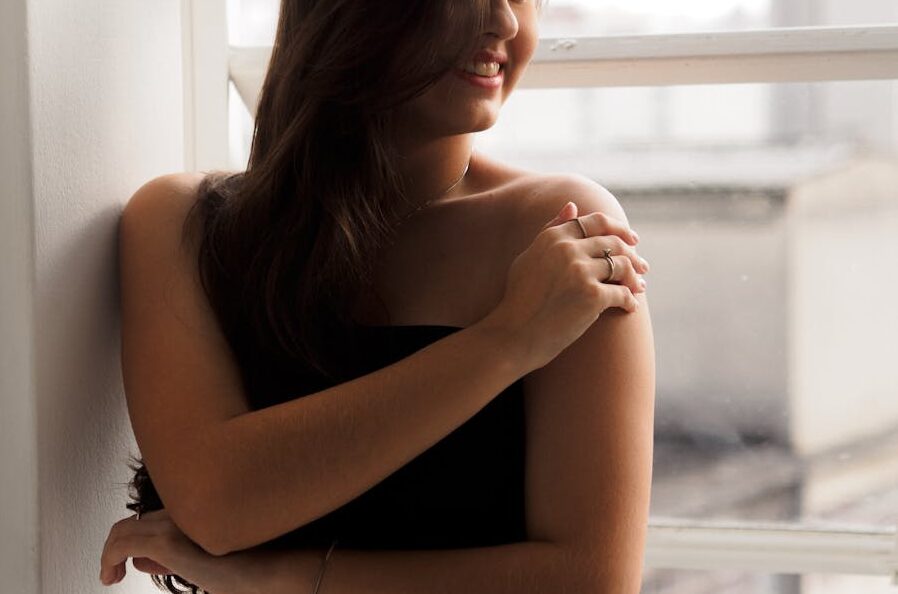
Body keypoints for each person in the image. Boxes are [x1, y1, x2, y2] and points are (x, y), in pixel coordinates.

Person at [99, 0, 656, 592]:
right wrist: (507, 340)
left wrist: (278, 580)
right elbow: (216, 505)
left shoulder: (557, 227)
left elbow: (590, 580)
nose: (508, 23)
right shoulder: (181, 225)